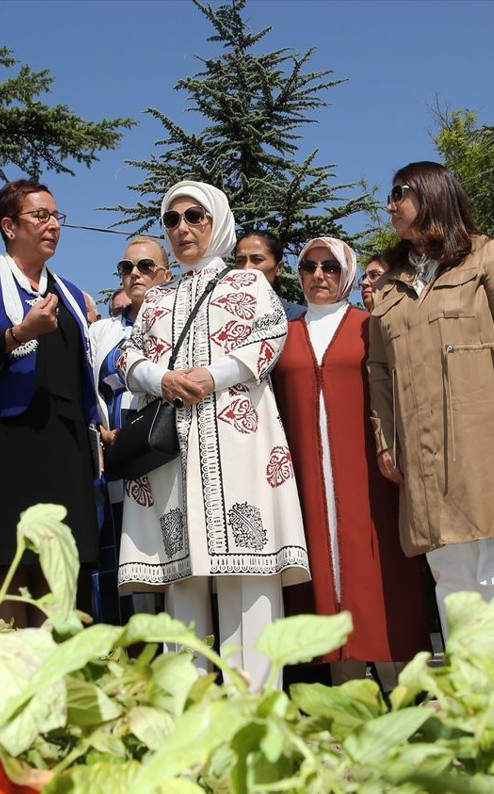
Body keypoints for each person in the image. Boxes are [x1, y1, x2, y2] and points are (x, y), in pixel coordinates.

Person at [117, 181, 309, 689]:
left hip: (239, 443)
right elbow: (127, 357)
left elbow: (271, 335)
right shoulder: (156, 299)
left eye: (194, 216)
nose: (182, 228)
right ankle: (188, 712)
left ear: (217, 220)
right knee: (183, 579)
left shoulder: (248, 285)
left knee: (251, 573)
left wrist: (211, 376)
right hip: (174, 453)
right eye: (172, 219)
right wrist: (161, 379)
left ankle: (256, 711)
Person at [368, 161, 494, 638]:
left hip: (488, 442)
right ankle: (468, 690)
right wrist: (386, 441)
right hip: (421, 454)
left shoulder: (487, 257)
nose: (390, 206)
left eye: (399, 194)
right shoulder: (389, 284)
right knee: (449, 574)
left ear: (431, 195)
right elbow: (379, 371)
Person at [0, 179, 106, 625]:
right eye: (41, 216)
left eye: (57, 217)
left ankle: (56, 684)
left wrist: (97, 425)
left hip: (62, 443)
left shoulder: (71, 294)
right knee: (7, 564)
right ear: (9, 225)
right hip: (1, 440)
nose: (53, 225)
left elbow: (82, 369)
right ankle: (11, 682)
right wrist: (19, 333)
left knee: (59, 572)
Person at [273, 237, 430, 686]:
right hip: (306, 475)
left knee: (377, 571)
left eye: (329, 267)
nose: (319, 275)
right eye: (308, 266)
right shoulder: (286, 334)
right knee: (321, 577)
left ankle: (401, 689)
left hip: (368, 471)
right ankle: (343, 695)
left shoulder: (368, 325)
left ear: (347, 273)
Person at [89, 236, 172, 623]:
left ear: (166, 274)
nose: (134, 274)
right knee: (126, 556)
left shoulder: (180, 320)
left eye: (145, 267)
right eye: (126, 268)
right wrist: (99, 433)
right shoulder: (100, 332)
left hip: (167, 456)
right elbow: (82, 388)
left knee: (171, 554)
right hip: (117, 464)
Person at [234, 230, 306, 320]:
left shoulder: (300, 317)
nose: (247, 268)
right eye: (240, 260)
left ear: (279, 268)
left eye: (257, 259)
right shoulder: (219, 315)